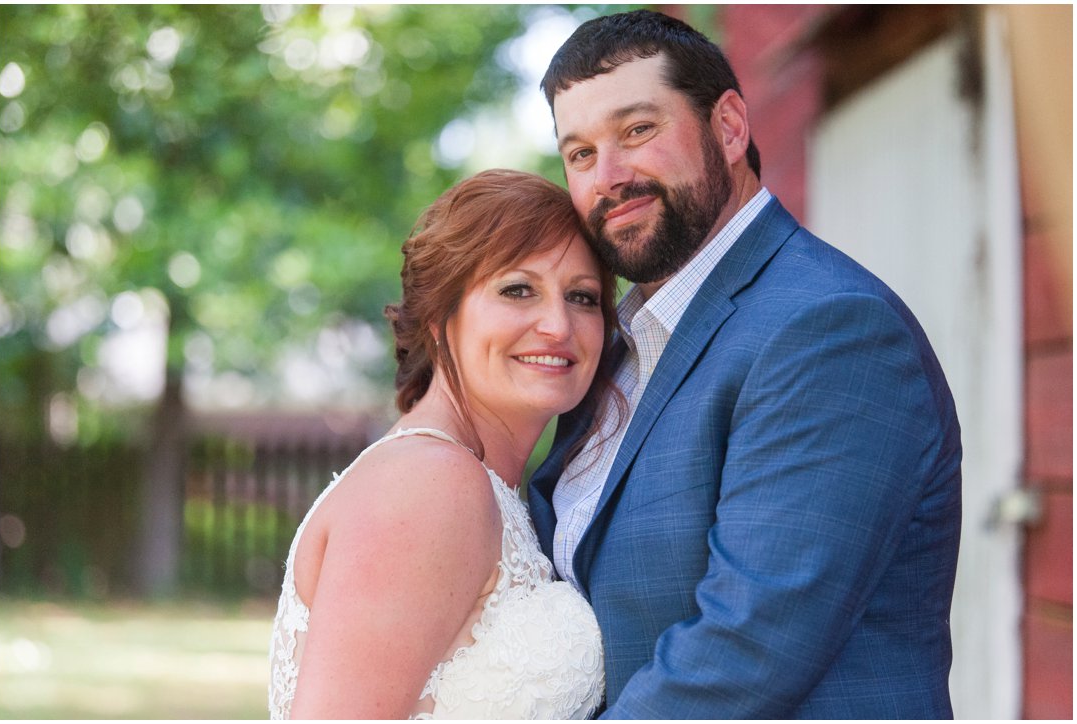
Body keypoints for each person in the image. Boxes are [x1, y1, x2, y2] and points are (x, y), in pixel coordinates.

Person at [528, 9, 963, 719]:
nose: (608, 176)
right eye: (579, 154)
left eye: (638, 130)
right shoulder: (614, 347)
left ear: (729, 128)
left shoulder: (827, 328)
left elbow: (748, 649)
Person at [268, 169, 619, 719]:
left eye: (582, 297)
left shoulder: (483, 484)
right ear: (437, 316)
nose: (558, 324)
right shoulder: (429, 483)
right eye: (518, 289)